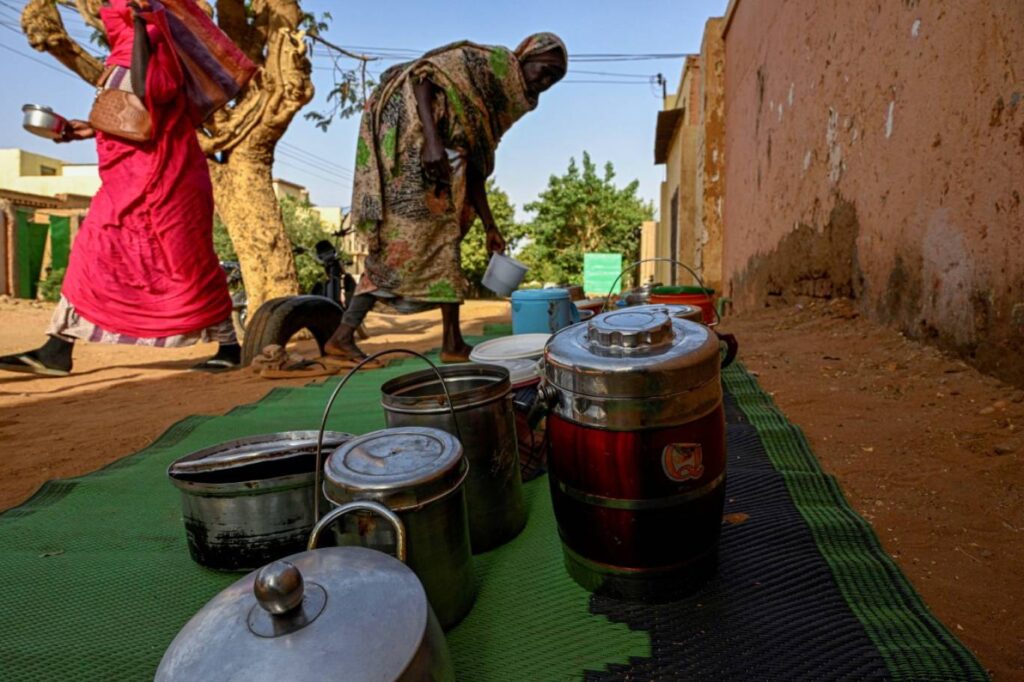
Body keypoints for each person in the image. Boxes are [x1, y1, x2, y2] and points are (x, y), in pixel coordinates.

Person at [0, 0, 240, 377]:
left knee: (187, 264)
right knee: (92, 253)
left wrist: (143, 25)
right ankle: (57, 348)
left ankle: (228, 347)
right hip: (129, 182)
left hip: (165, 183)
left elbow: (148, 92)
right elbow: (132, 114)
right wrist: (87, 127)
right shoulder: (126, 51)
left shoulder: (153, 43)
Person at [323, 33, 568, 365]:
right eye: (545, 69)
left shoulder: (504, 102)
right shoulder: (489, 63)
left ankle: (451, 343)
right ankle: (342, 337)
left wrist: (490, 226)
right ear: (526, 56)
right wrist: (432, 140)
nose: (546, 80)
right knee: (396, 250)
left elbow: (475, 162)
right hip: (413, 148)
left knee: (446, 244)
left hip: (447, 164)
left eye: (555, 78)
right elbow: (425, 77)